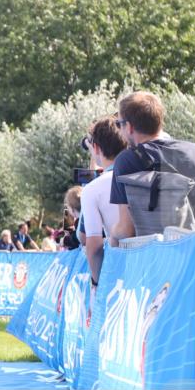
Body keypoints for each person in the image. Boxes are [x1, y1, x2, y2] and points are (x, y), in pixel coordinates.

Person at [111, 92, 195, 240]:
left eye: (119, 124)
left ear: (130, 127)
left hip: (168, 254)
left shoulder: (127, 160)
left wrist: (112, 236)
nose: (119, 130)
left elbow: (126, 230)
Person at [80, 116, 126, 286]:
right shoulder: (143, 174)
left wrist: (97, 283)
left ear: (96, 148)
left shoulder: (92, 189)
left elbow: (93, 246)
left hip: (120, 269)